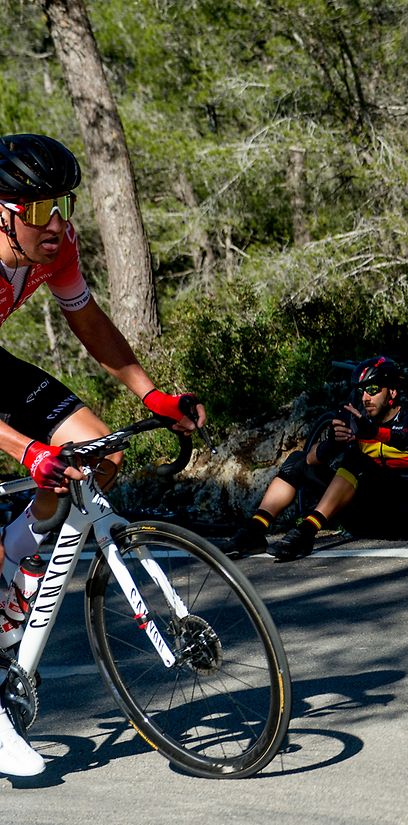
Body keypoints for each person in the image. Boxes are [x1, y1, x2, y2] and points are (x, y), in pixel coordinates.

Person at [0, 133, 205, 776]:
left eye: (60, 206)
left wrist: (155, 395)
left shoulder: (55, 247)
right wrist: (28, 450)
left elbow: (89, 322)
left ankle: (15, 564)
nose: (53, 225)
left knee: (98, 454)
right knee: (44, 458)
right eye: (35, 211)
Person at [221, 355, 408, 561]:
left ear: (391, 393)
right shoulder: (356, 417)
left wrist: (379, 434)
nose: (365, 397)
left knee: (358, 460)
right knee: (297, 460)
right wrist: (332, 443)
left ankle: (306, 532)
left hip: (406, 516)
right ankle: (255, 530)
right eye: (361, 391)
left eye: (372, 390)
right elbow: (311, 460)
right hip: (367, 514)